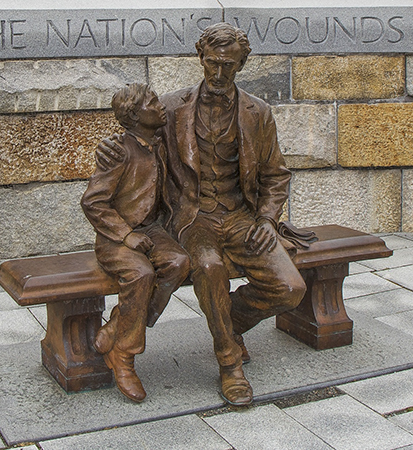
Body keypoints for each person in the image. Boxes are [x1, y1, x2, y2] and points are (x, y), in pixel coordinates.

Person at [97, 23, 306, 406]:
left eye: (228, 64)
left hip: (243, 217)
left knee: (290, 289)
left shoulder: (258, 112)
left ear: (242, 63)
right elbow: (136, 138)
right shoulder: (172, 108)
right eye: (212, 63)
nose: (219, 73)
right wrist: (110, 148)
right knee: (209, 267)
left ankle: (230, 323)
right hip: (194, 218)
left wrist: (267, 219)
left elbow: (276, 175)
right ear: (201, 58)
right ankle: (229, 364)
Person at [81, 83, 191, 402]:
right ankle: (124, 358)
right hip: (117, 237)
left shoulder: (158, 142)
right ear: (134, 114)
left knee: (179, 263)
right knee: (142, 274)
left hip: (152, 230)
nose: (160, 107)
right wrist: (125, 234)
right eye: (153, 103)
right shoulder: (118, 151)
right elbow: (93, 202)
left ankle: (119, 324)